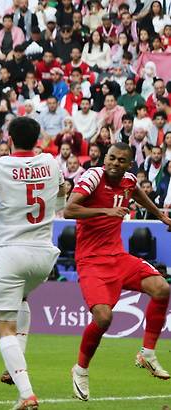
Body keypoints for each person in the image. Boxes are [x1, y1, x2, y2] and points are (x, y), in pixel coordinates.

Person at [0, 116, 64, 410]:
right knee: (21, 299)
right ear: (37, 140)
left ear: (9, 139)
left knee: (4, 326)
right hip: (44, 255)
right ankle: (14, 366)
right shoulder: (51, 162)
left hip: (12, 253)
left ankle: (26, 394)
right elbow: (60, 198)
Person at [64, 143, 171, 401]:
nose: (113, 163)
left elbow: (136, 192)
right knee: (103, 318)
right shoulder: (92, 177)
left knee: (162, 289)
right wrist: (106, 210)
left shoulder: (129, 181)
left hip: (118, 257)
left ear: (129, 164)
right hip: (90, 261)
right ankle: (80, 369)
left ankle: (146, 353)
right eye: (111, 157)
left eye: (121, 160)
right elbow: (69, 209)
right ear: (105, 157)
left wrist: (161, 216)